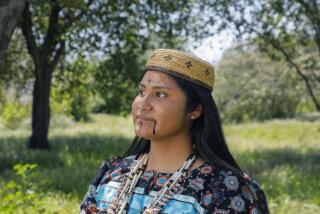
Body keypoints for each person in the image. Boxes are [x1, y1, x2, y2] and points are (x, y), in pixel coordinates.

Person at [80, 49, 269, 214]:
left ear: (195, 109)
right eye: (141, 92)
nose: (143, 105)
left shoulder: (224, 188)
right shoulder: (112, 172)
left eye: (160, 94)